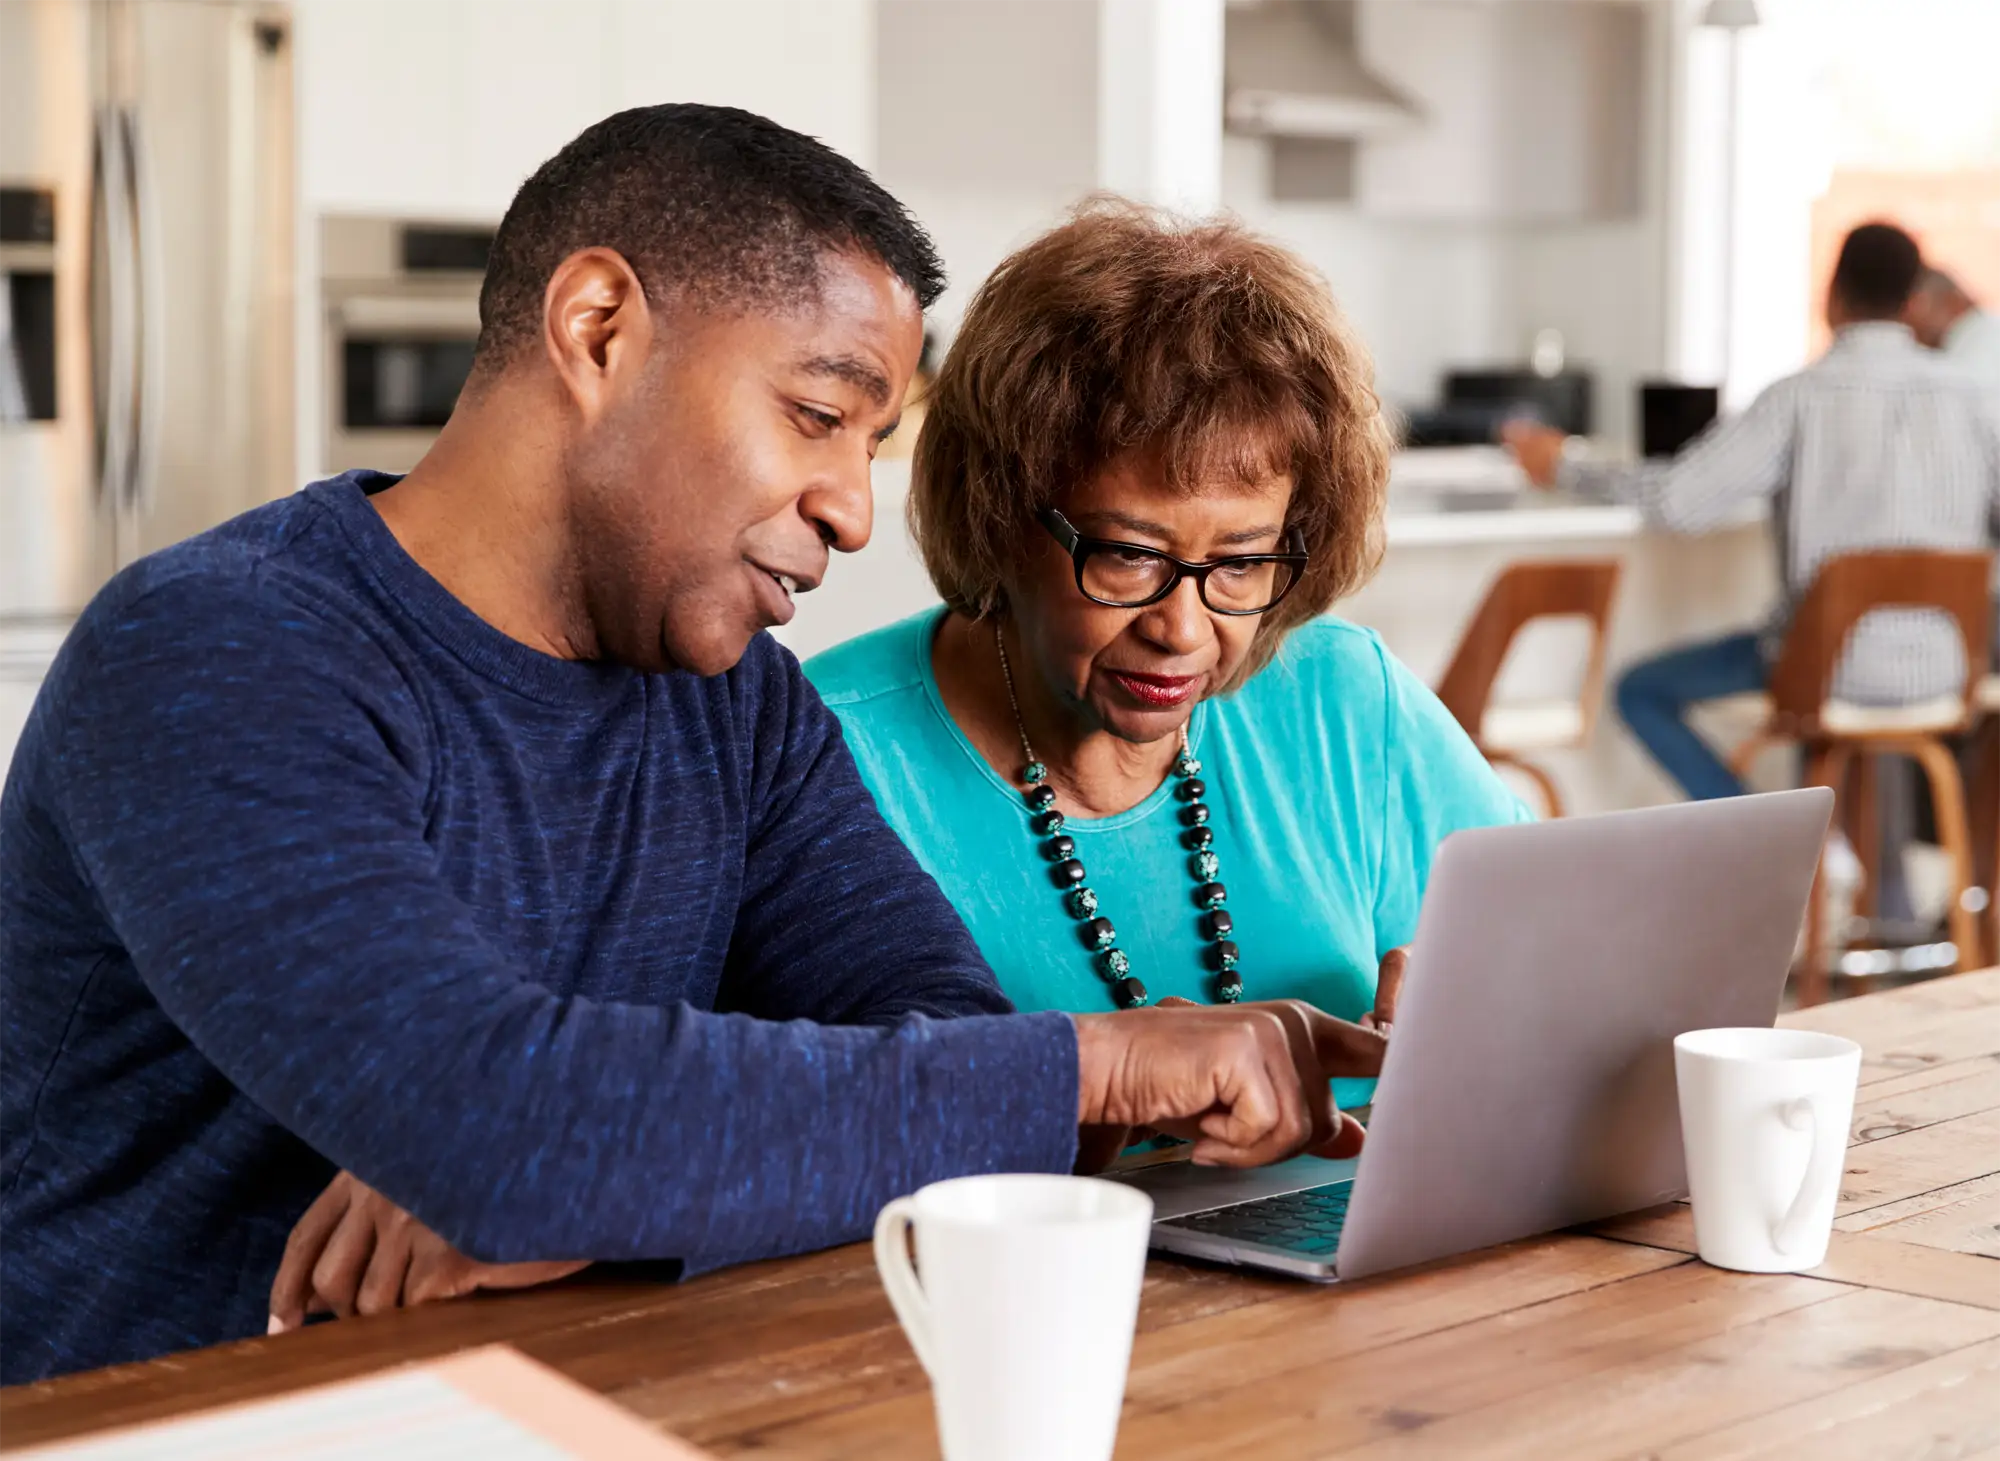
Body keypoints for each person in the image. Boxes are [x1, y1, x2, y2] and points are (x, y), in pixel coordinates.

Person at [0, 106, 1386, 1384]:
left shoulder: (737, 710)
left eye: (875, 440)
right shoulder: (214, 652)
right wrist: (1100, 1061)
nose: (854, 508)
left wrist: (610, 1181)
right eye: (818, 414)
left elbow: (953, 1054)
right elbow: (497, 1118)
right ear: (599, 329)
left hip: (561, 1407)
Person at [804, 206, 1529, 1096]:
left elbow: (1574, 973)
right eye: (1130, 555)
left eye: (1242, 562)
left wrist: (1491, 1030)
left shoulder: (1346, 698)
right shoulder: (818, 754)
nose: (1184, 630)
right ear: (999, 513)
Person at [1506, 221, 2000, 804]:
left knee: (1640, 690)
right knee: (1871, 722)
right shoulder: (1973, 402)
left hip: (1825, 671)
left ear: (1832, 296)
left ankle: (1772, 838)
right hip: (1945, 673)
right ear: (1914, 303)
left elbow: (1678, 502)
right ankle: (1863, 880)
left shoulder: (1798, 398)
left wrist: (1564, 463)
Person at [1908, 266, 2000, 397]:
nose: (1913, 321)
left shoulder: (1976, 342)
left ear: (1953, 301)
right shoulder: (1985, 329)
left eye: (1919, 306)